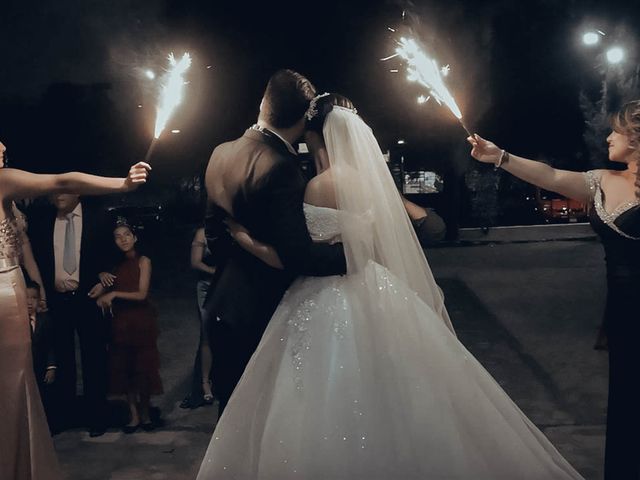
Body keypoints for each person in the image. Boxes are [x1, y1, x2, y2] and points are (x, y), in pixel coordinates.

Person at [196, 94, 583, 479]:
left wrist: (244, 239)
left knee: (323, 398)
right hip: (376, 288)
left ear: (319, 138)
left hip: (327, 292)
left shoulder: (317, 186)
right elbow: (427, 229)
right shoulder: (373, 183)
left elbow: (301, 255)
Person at [468, 100, 640, 479]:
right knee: (629, 403)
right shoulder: (602, 180)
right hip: (625, 316)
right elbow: (549, 175)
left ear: (636, 138)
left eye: (616, 131)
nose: (608, 136)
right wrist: (500, 156)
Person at [0, 137, 149, 480]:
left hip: (49, 295)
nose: (4, 145)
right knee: (13, 387)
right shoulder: (3, 181)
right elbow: (62, 180)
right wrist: (122, 184)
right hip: (5, 294)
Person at [201, 69, 347, 415]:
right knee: (261, 418)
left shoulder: (220, 152)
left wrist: (239, 241)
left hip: (222, 302)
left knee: (231, 414)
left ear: (263, 103)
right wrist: (354, 256)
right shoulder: (281, 166)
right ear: (304, 118)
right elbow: (297, 257)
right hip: (260, 310)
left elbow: (213, 234)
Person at [28, 191, 117, 437]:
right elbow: (35, 258)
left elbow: (114, 255)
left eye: (65, 189)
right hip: (57, 301)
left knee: (94, 357)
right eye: (55, 189)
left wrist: (105, 281)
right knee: (62, 360)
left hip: (88, 297)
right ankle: (63, 415)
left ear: (78, 191)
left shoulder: (98, 219)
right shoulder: (43, 221)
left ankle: (97, 416)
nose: (59, 195)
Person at [89, 219, 162, 433]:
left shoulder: (143, 260)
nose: (123, 239)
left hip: (140, 320)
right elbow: (97, 294)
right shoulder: (114, 265)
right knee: (125, 369)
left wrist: (114, 293)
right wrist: (101, 281)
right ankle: (134, 415)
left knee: (144, 368)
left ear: (135, 237)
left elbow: (141, 294)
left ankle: (146, 413)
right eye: (118, 236)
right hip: (120, 322)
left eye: (127, 235)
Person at [181, 226, 217, 409]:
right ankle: (204, 384)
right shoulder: (202, 233)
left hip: (230, 284)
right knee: (207, 335)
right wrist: (215, 272)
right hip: (207, 286)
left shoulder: (233, 228)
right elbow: (195, 262)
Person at [24, 275, 58, 432]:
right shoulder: (16, 322)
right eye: (26, 297)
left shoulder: (45, 320)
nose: (30, 302)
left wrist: (51, 367)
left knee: (44, 398)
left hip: (40, 367)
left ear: (39, 301)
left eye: (34, 298)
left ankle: (45, 429)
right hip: (23, 370)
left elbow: (50, 345)